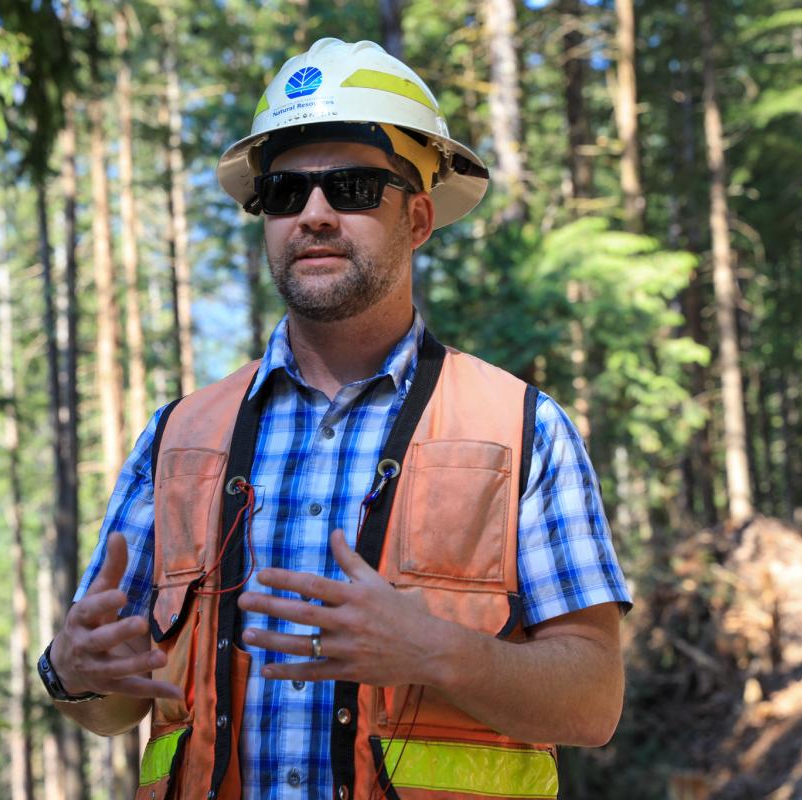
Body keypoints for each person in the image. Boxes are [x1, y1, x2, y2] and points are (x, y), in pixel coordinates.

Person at [40, 38, 631, 799]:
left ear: (418, 219)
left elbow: (592, 702)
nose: (313, 215)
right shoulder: (178, 439)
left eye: (352, 188)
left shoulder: (521, 429)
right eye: (285, 193)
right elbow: (116, 701)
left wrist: (437, 652)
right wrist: (70, 672)